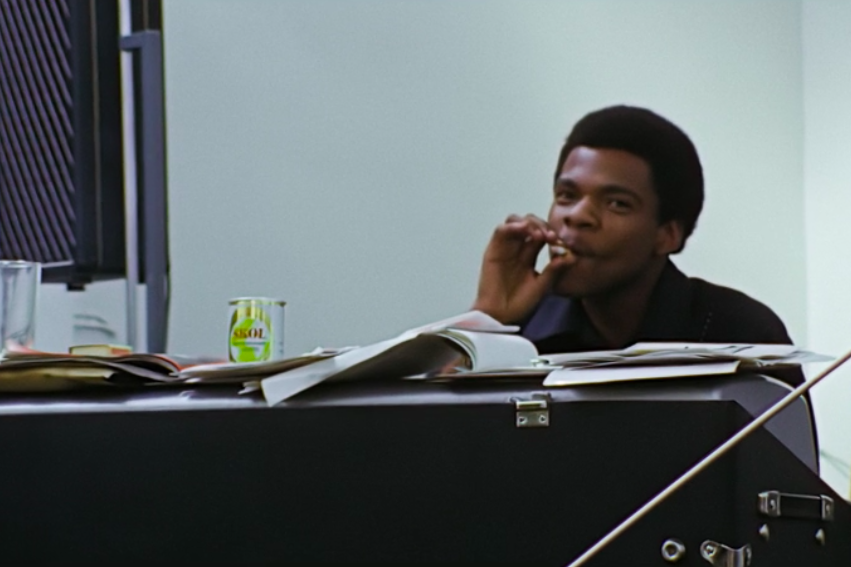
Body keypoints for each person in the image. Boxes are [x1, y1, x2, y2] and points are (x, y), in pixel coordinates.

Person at [472, 105, 805, 389]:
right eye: (566, 196)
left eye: (617, 203)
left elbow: (787, 463)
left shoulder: (741, 332)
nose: (577, 217)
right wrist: (487, 319)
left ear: (667, 235)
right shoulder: (518, 333)